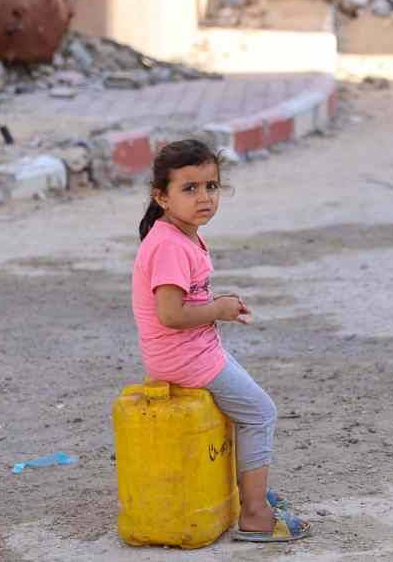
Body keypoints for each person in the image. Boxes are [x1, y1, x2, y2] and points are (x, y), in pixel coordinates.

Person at [132, 140, 311, 543]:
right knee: (260, 412)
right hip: (184, 356)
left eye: (211, 186)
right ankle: (254, 513)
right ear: (161, 196)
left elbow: (183, 302)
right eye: (189, 188)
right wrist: (219, 309)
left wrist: (216, 306)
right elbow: (171, 314)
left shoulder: (180, 236)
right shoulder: (169, 246)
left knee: (241, 412)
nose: (204, 198)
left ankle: (242, 493)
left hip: (191, 351)